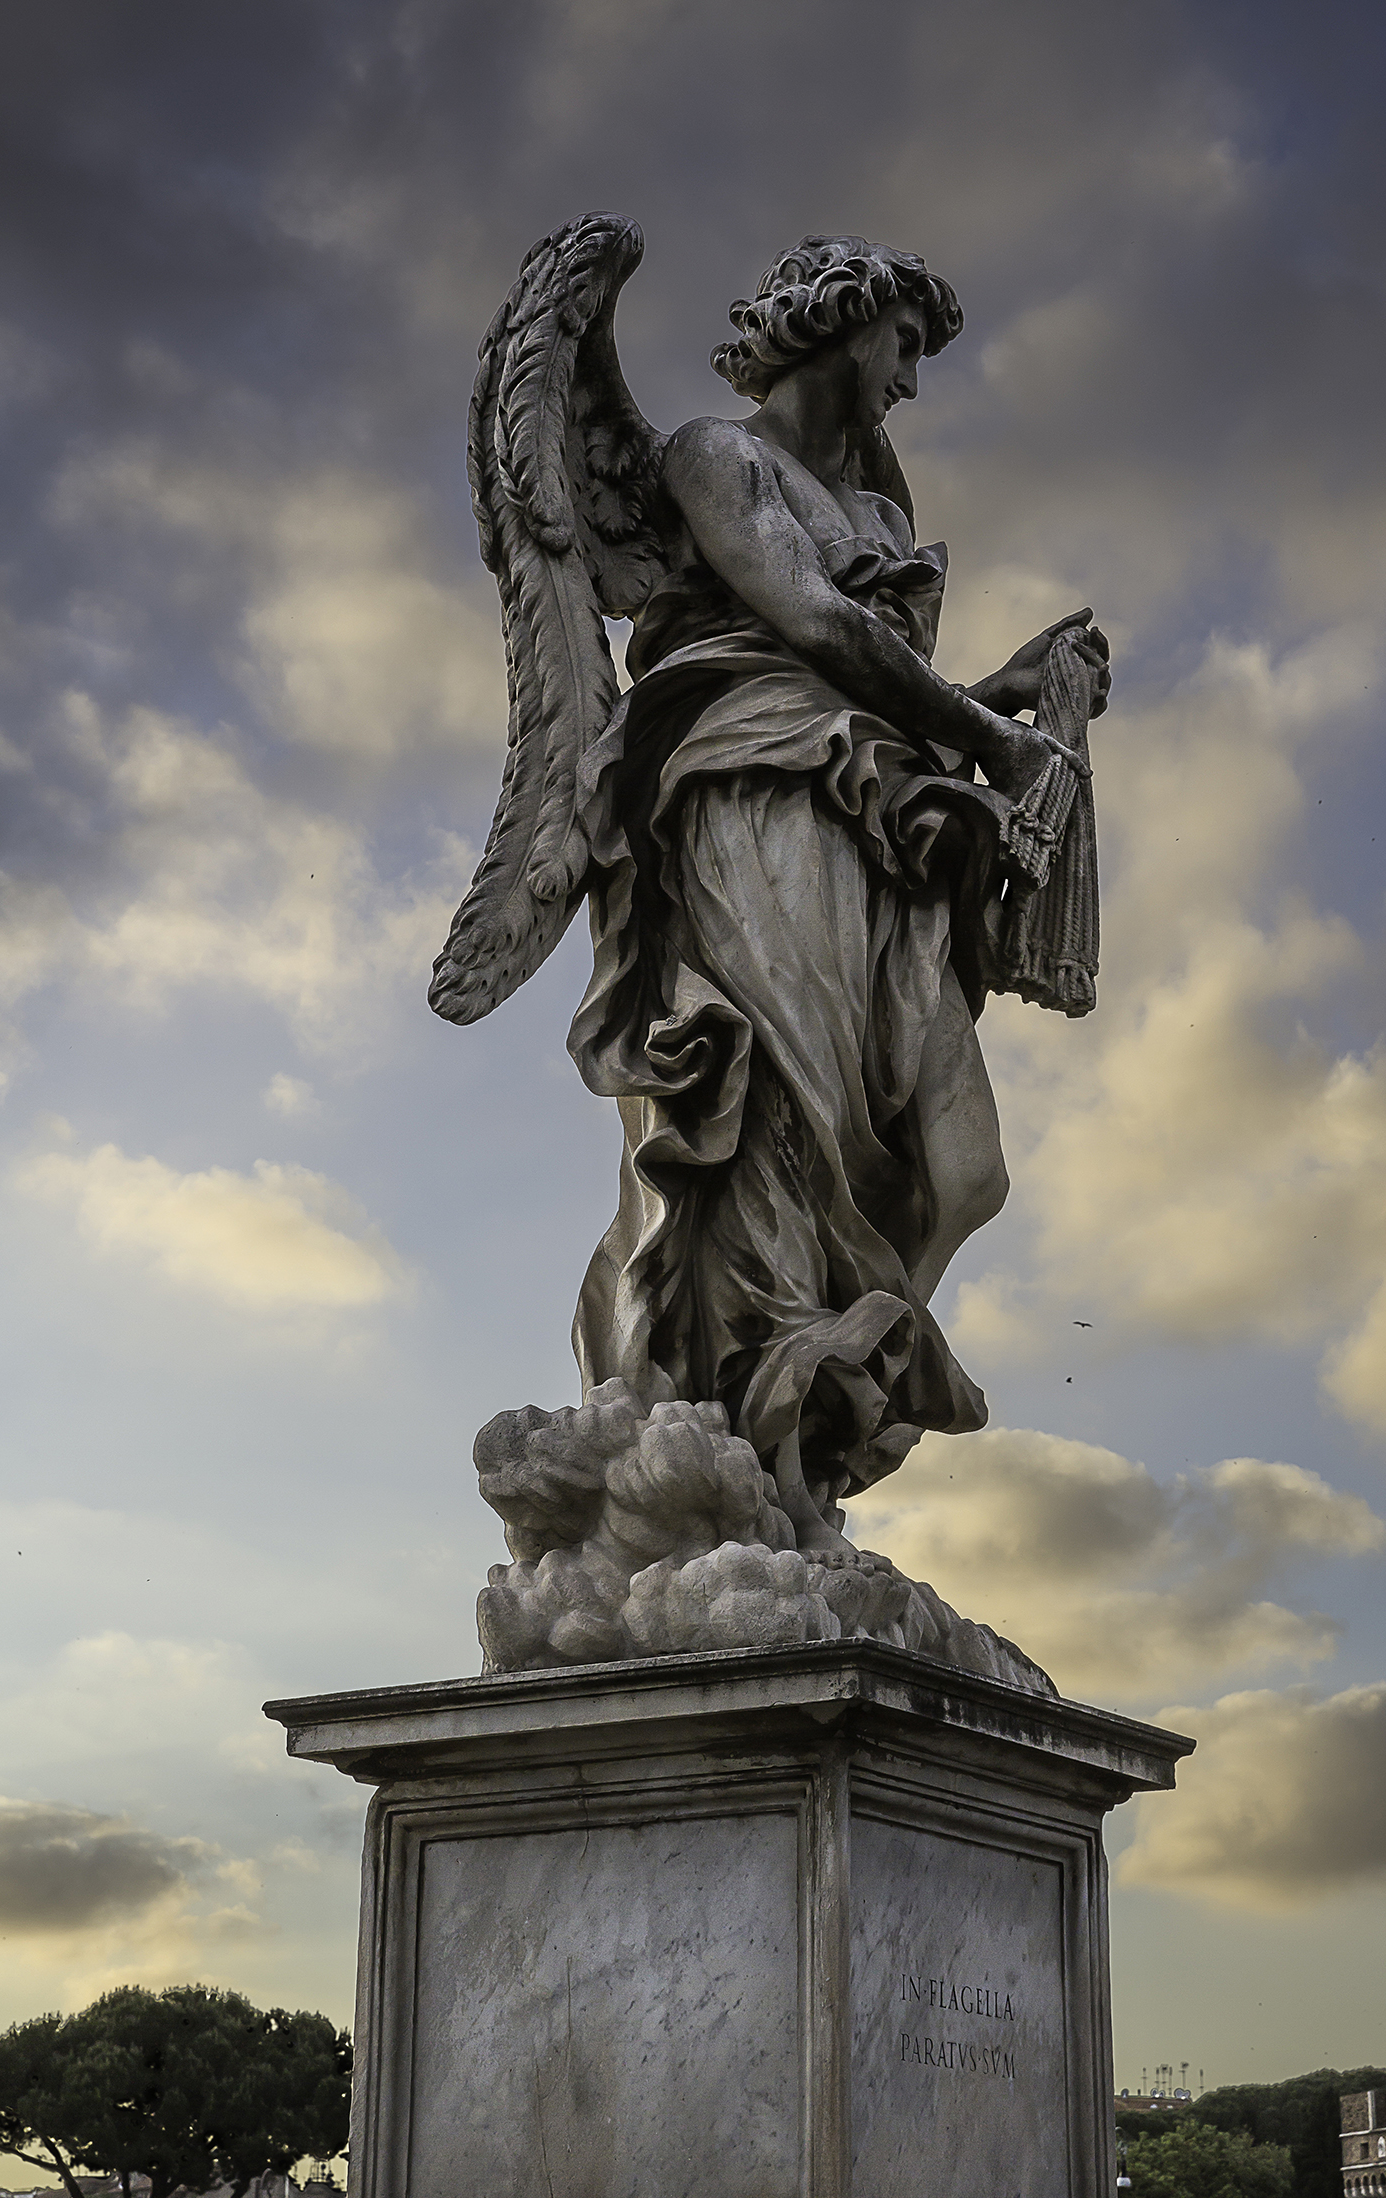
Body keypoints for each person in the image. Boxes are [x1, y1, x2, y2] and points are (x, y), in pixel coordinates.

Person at [552, 234, 1110, 1555]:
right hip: (747, 799)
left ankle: (839, 1374)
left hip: (874, 823)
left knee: (964, 1167)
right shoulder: (711, 454)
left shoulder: (879, 510)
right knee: (769, 1116)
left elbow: (870, 663)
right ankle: (756, 1411)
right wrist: (994, 732)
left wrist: (1010, 696)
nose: (912, 381)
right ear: (839, 324)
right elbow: (807, 622)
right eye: (904, 345)